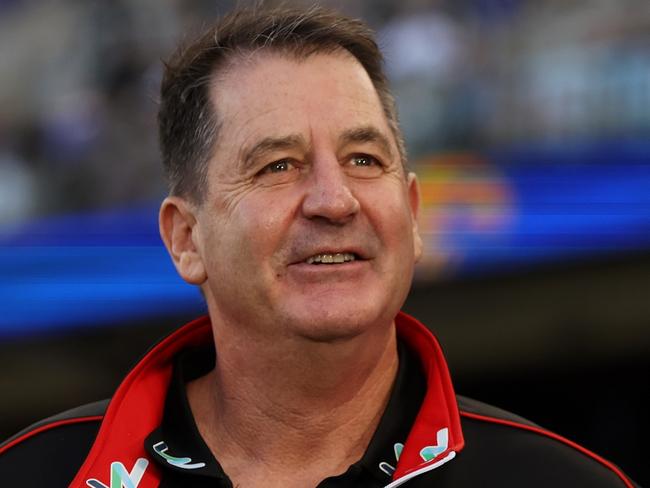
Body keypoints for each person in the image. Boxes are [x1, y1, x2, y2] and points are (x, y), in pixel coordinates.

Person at [0, 6, 639, 488]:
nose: (335, 201)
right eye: (278, 166)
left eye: (364, 158)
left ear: (413, 215)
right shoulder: (33, 474)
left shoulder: (561, 482)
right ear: (185, 238)